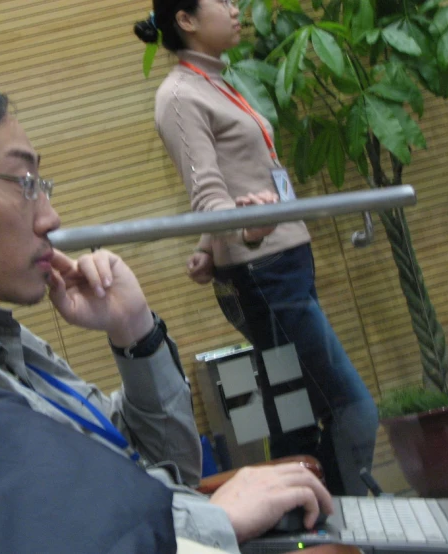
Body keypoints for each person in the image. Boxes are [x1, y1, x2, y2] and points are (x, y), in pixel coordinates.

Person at [0, 75, 332, 553]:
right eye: (23, 183)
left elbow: (169, 467)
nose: (50, 217)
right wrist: (214, 523)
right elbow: (73, 535)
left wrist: (135, 335)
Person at [134, 0, 379, 496]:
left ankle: (300, 532)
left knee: (297, 418)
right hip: (267, 274)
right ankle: (358, 527)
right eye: (220, 2)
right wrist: (244, 232)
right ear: (185, 20)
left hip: (282, 263)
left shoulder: (215, 81)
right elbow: (208, 196)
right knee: (353, 408)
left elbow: (230, 181)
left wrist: (210, 244)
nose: (234, 8)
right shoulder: (179, 94)